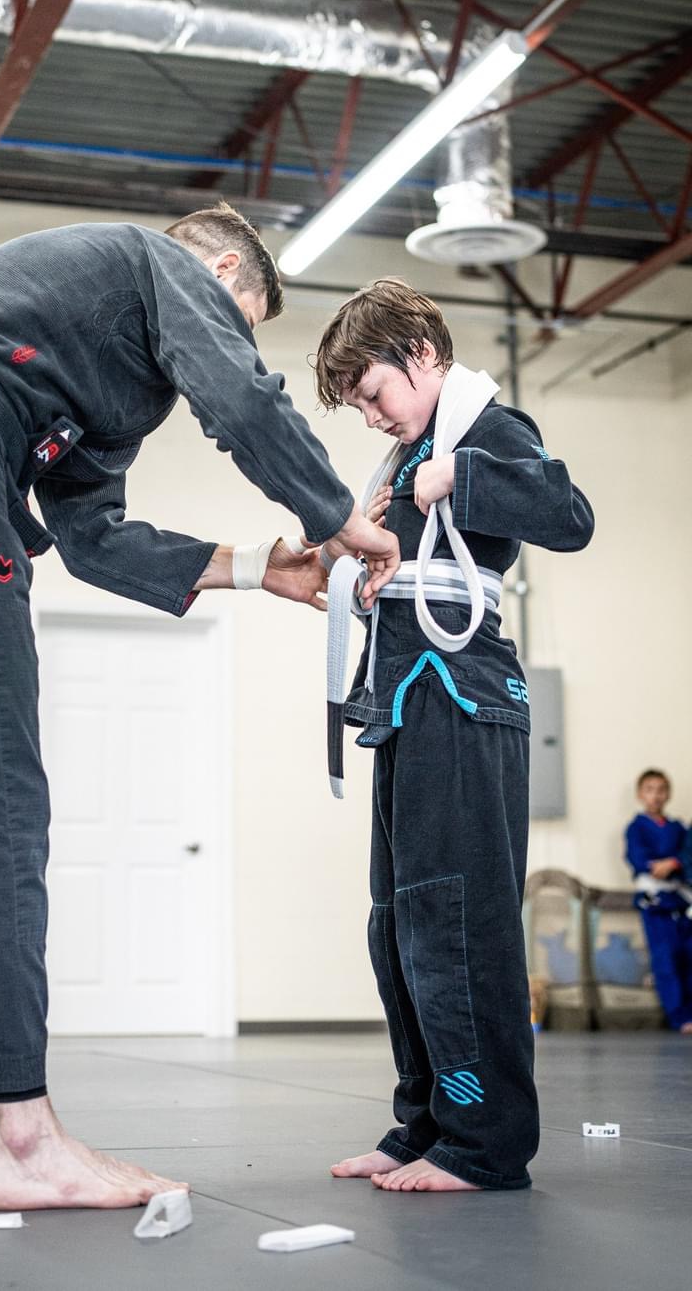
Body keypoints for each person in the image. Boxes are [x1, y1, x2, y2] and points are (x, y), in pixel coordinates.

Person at [0, 203, 398, 1209]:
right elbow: (242, 402)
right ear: (207, 267)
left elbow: (94, 538)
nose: (222, 341)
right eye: (234, 317)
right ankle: (21, 1140)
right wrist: (339, 522)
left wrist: (265, 569)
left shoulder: (79, 358)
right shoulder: (150, 259)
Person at [315, 278, 593, 1193]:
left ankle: (485, 1144)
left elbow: (570, 517)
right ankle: (425, 1125)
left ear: (423, 357)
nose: (369, 416)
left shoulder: (483, 433)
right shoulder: (407, 456)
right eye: (357, 403)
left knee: (457, 925)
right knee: (398, 927)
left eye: (373, 394)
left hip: (464, 699)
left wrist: (457, 477)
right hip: (407, 703)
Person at [624, 768, 692, 1033]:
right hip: (655, 903)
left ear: (668, 794)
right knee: (665, 960)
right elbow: (640, 861)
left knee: (687, 957)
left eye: (661, 789)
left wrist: (675, 862)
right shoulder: (636, 827)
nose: (656, 796)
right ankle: (679, 1017)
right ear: (641, 794)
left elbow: (686, 859)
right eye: (650, 790)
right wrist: (664, 864)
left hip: (680, 902)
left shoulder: (679, 828)